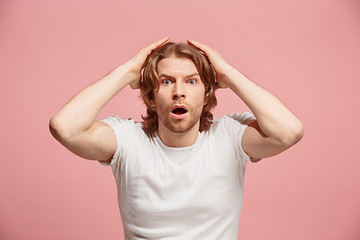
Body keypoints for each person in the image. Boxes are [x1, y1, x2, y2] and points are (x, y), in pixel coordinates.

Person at [49, 37, 304, 239]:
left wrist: (228, 73)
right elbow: (65, 127)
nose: (179, 92)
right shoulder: (127, 140)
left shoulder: (230, 136)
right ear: (150, 97)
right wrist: (127, 72)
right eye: (167, 81)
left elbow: (288, 132)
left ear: (206, 96)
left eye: (191, 82)